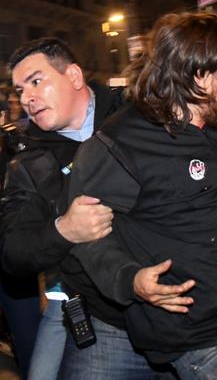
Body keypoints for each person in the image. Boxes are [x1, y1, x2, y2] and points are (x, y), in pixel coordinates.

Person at [67, 11, 217, 379]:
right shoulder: (120, 143)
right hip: (204, 335)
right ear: (199, 74)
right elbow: (87, 236)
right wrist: (130, 279)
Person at [0, 37, 132, 379]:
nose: (26, 98)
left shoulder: (137, 116)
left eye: (36, 81)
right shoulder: (29, 162)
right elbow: (13, 252)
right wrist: (64, 230)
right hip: (82, 303)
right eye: (19, 90)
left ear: (73, 76)